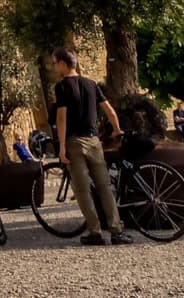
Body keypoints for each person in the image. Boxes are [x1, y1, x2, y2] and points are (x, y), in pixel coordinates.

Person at [51, 47, 131, 247]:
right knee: (104, 187)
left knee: (82, 189)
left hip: (74, 142)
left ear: (62, 63)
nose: (53, 67)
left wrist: (61, 147)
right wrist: (116, 129)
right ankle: (116, 231)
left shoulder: (61, 87)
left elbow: (61, 118)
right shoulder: (91, 84)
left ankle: (95, 231)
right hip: (94, 141)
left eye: (54, 63)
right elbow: (109, 111)